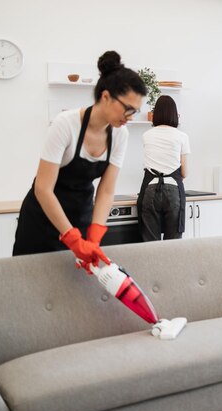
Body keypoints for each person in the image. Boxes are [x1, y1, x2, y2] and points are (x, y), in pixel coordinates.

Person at [13, 51, 146, 272]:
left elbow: (105, 191)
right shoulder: (65, 125)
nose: (131, 117)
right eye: (128, 109)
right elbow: (43, 189)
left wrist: (94, 233)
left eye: (136, 111)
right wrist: (72, 239)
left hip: (81, 217)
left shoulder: (120, 134)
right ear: (106, 97)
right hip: (43, 220)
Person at [137, 95, 190, 241]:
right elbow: (184, 172)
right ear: (175, 114)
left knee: (150, 242)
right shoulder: (182, 136)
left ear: (156, 114)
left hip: (150, 189)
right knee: (173, 244)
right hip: (174, 191)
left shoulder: (146, 135)